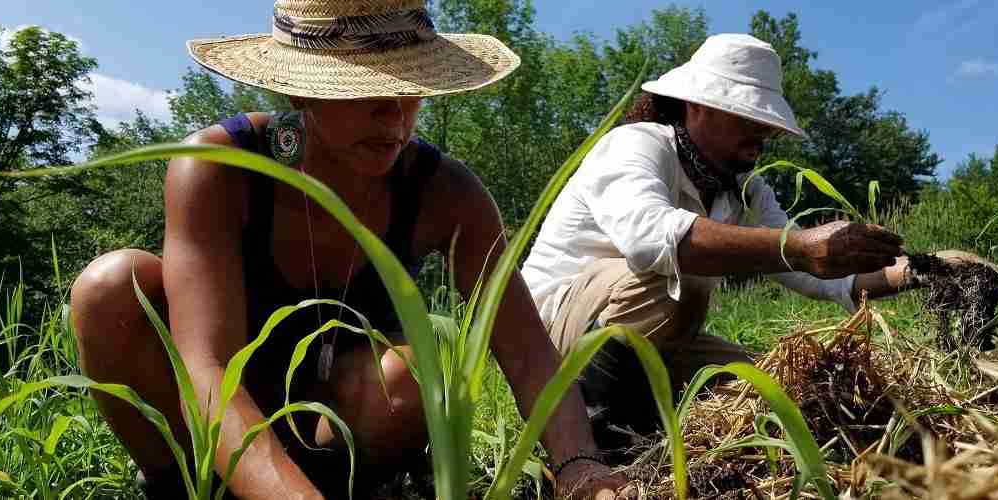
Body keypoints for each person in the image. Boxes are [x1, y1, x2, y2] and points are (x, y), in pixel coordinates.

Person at [69, 1, 627, 498]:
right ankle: (182, 485)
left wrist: (583, 469)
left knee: (412, 369)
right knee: (112, 288)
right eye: (364, 89)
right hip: (213, 425)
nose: (396, 116)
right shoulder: (221, 169)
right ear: (299, 91)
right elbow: (208, 366)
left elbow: (527, 351)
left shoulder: (444, 193)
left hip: (340, 433)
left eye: (411, 88)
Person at [520, 34, 998, 449]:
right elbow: (652, 239)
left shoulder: (744, 189)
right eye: (746, 117)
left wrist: (928, 269)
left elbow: (816, 273)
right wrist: (799, 246)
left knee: (773, 389)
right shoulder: (638, 145)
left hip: (656, 336)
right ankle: (596, 442)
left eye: (766, 122)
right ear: (697, 106)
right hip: (551, 335)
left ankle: (655, 432)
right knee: (684, 275)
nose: (762, 134)